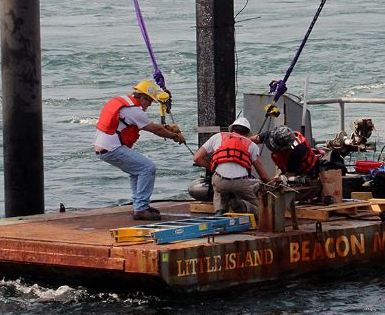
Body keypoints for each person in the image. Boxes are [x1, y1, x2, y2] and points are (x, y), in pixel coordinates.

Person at [93, 79, 184, 221]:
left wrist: (165, 129)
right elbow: (155, 129)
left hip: (103, 147)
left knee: (136, 171)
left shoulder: (123, 102)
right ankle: (141, 209)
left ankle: (140, 205)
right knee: (147, 167)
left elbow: (146, 125)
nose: (149, 105)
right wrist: (174, 136)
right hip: (112, 149)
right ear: (142, 98)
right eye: (149, 102)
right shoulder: (134, 110)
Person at [193, 115, 271, 216]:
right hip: (241, 183)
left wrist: (212, 166)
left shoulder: (217, 137)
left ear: (232, 129)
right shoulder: (252, 145)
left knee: (217, 179)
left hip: (221, 182)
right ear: (247, 133)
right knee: (262, 208)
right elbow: (263, 176)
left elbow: (197, 158)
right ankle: (243, 206)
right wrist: (272, 186)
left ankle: (220, 211)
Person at [264, 125, 322, 203]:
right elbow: (257, 138)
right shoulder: (274, 135)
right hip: (290, 169)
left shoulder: (298, 151)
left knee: (285, 186)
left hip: (307, 173)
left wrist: (280, 178)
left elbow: (290, 174)